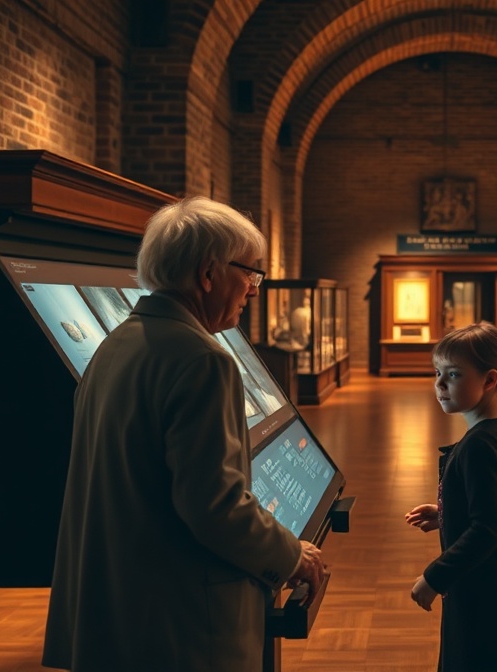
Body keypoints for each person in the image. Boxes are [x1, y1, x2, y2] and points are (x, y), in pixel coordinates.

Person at [43, 197, 326, 672]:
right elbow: (215, 505)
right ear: (208, 273)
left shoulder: (117, 344)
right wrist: (290, 554)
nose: (254, 290)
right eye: (250, 273)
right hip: (180, 624)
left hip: (120, 608)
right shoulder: (202, 360)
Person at [404, 322, 497, 672]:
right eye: (437, 372)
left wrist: (435, 577)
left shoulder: (480, 444)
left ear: (490, 380)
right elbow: (496, 508)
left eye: (452, 374)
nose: (439, 385)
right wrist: (448, 513)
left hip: (487, 594)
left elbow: (488, 529)